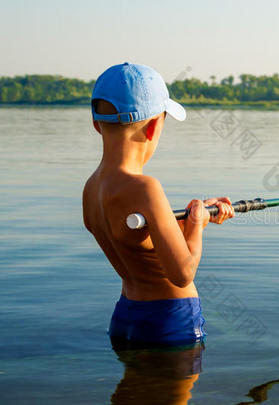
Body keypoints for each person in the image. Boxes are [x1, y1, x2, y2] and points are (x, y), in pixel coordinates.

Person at [82, 62, 234, 346]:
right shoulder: (146, 187)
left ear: (96, 124)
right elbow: (182, 273)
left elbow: (136, 239)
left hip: (126, 316)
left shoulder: (91, 189)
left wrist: (188, 219)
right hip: (170, 320)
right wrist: (197, 227)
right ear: (153, 128)